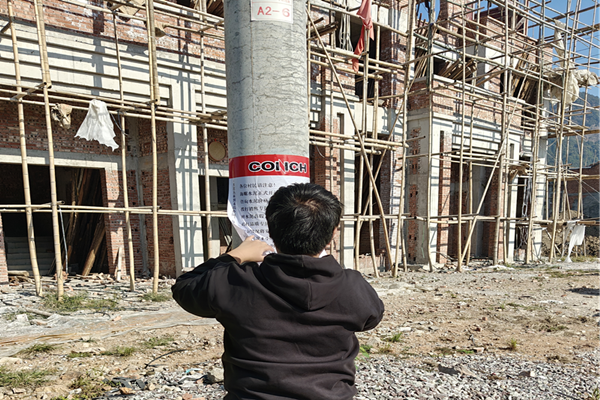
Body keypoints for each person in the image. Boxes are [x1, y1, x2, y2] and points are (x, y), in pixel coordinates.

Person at [171, 183, 384, 400]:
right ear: (333, 233)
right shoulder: (351, 286)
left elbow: (184, 288)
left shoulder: (235, 281)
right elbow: (372, 318)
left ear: (270, 230)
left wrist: (234, 255)